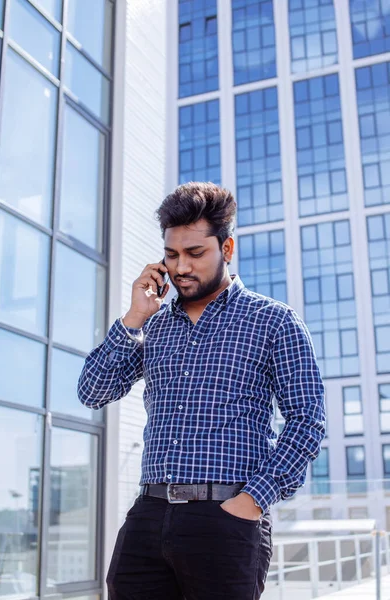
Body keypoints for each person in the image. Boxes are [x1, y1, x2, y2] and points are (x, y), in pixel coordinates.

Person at [78, 181, 326, 600]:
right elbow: (92, 391)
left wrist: (252, 501)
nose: (181, 268)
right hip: (149, 515)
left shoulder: (274, 321)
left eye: (195, 253)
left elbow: (307, 420)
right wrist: (134, 317)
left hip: (226, 518)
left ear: (226, 250)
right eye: (172, 255)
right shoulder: (153, 326)